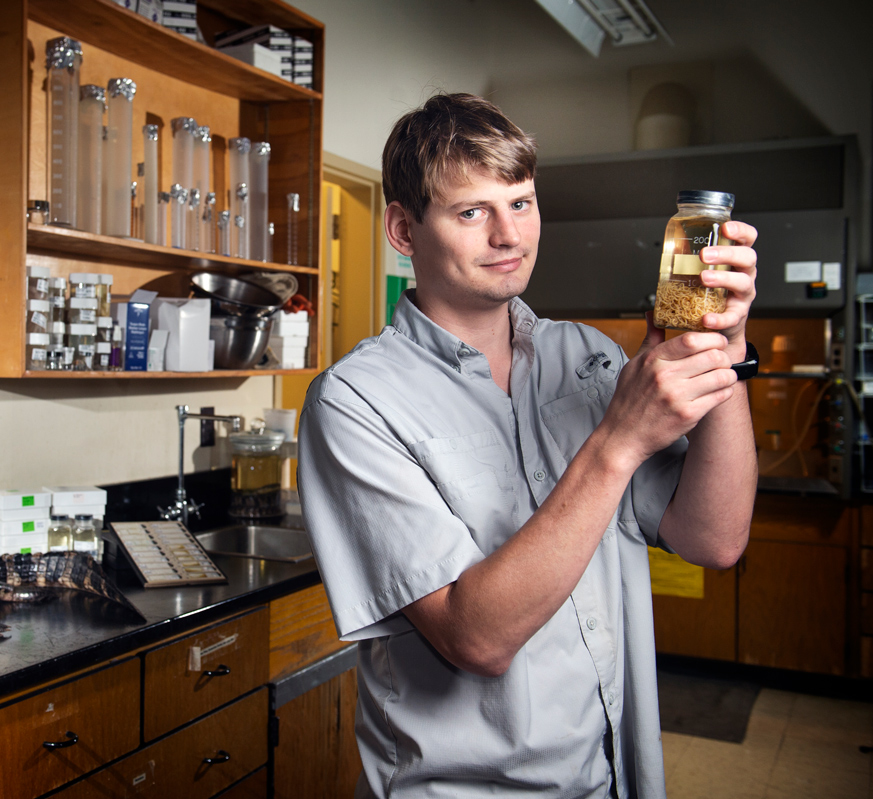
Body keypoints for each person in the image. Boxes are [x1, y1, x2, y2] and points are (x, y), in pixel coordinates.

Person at [297, 93, 758, 799]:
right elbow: (474, 637)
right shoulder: (355, 401)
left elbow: (714, 537)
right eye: (472, 211)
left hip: (607, 775)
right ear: (402, 227)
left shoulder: (587, 357)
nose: (509, 235)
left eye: (522, 202)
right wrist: (617, 441)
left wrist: (724, 350)